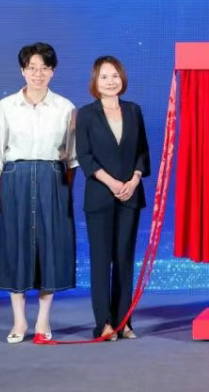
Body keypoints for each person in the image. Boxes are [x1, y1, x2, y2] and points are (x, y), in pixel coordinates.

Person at [0, 42, 77, 344]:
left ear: (53, 71)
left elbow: (72, 158)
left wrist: (65, 191)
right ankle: (19, 320)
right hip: (16, 178)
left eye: (44, 68)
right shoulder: (6, 106)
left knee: (49, 247)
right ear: (22, 70)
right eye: (32, 68)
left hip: (53, 179)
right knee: (17, 245)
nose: (38, 74)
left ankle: (43, 320)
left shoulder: (65, 108)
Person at [75, 56, 150, 340]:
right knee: (101, 260)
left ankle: (124, 322)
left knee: (124, 259)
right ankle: (104, 324)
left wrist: (134, 180)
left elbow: (142, 151)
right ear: (95, 81)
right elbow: (85, 156)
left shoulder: (134, 110)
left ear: (123, 79)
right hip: (100, 197)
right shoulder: (86, 114)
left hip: (130, 195)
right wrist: (112, 182)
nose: (110, 81)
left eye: (115, 75)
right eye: (104, 76)